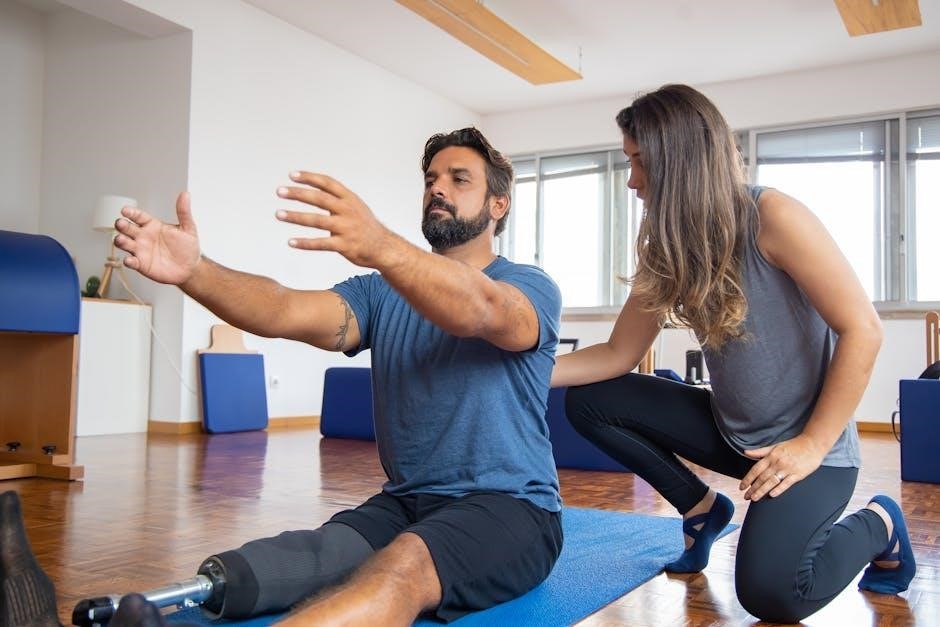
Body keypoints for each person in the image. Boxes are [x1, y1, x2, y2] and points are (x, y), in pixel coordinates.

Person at [1, 128, 563, 626]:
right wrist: (194, 271)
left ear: (499, 204)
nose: (437, 188)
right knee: (285, 564)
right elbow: (282, 308)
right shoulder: (381, 294)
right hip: (405, 502)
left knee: (403, 568)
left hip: (511, 508)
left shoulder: (530, 287)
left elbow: (480, 311)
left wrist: (379, 245)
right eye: (431, 178)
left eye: (458, 179)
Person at [552, 84, 916, 624]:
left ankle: (881, 523)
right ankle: (701, 510)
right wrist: (525, 372)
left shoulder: (774, 215)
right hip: (731, 434)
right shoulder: (669, 243)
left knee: (772, 594)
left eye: (639, 161)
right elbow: (618, 353)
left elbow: (863, 329)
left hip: (807, 452)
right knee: (589, 400)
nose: (632, 180)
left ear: (679, 159)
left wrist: (811, 445)